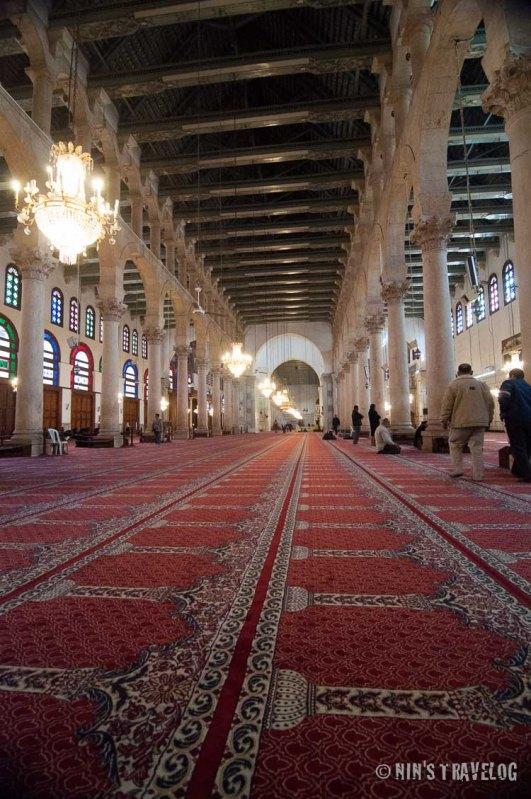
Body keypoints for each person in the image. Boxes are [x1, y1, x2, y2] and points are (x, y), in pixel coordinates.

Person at [441, 363, 494, 481]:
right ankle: (478, 475)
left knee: (455, 445)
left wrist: (444, 419)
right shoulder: (482, 385)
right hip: (480, 421)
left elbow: (447, 404)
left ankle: (458, 469)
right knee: (477, 448)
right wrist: (489, 419)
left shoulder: (454, 385)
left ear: (458, 373)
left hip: (461, 421)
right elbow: (490, 404)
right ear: (472, 372)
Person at [498, 367, 531, 482]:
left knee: (518, 446)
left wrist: (503, 413)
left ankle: (527, 474)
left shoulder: (508, 383)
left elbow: (503, 398)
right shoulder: (528, 386)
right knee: (527, 446)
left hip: (515, 419)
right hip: (529, 420)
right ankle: (517, 470)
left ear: (512, 375)